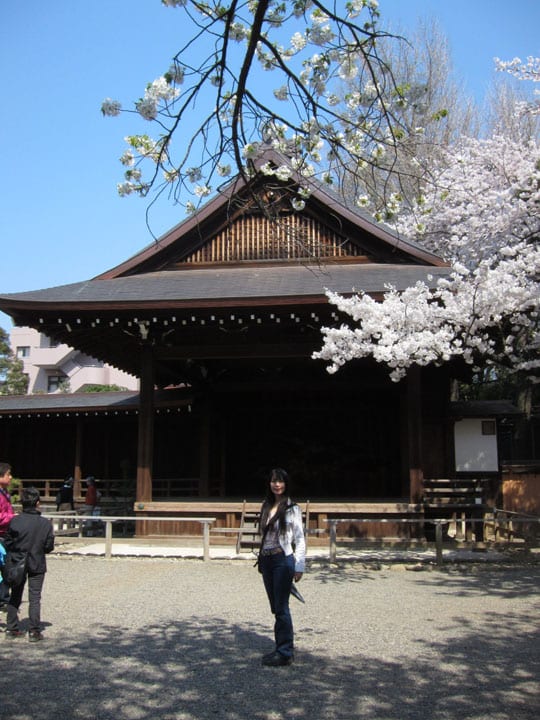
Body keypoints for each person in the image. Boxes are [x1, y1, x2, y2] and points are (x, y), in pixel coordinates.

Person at [258, 467, 305, 667]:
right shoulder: (266, 506)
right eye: (273, 481)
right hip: (267, 559)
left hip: (282, 560)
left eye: (281, 481)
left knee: (282, 607)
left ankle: (285, 652)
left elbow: (300, 539)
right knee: (275, 607)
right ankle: (280, 648)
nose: (277, 484)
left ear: (286, 484)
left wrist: (299, 565)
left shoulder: (292, 508)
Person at [4, 486, 55, 641]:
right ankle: (34, 631)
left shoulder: (15, 521)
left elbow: (8, 542)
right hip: (37, 561)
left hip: (17, 561)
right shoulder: (45, 524)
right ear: (38, 503)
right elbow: (49, 546)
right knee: (34, 596)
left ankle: (11, 628)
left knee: (16, 595)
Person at [0, 462, 15, 607]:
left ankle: (3, 597)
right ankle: (2, 598)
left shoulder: (4, 493)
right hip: (1, 534)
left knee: (6, 567)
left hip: (5, 534)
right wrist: (12, 517)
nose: (10, 477)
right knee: (4, 566)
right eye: (8, 474)